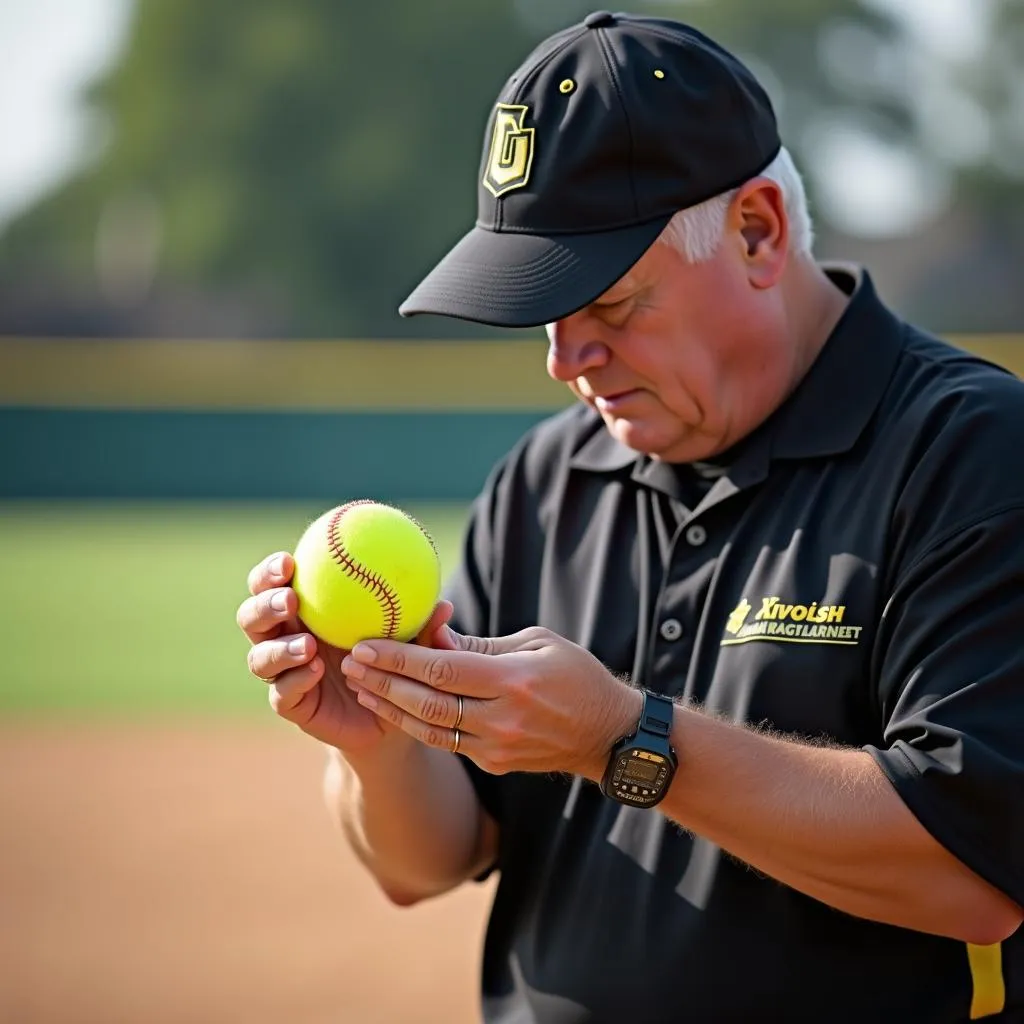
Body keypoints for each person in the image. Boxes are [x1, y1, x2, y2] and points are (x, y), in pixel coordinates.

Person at [236, 12, 1024, 1022]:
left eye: (608, 301)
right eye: (542, 312)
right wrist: (377, 738)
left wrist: (623, 738)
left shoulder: (970, 450)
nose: (564, 360)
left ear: (757, 231)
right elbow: (430, 860)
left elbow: (973, 871)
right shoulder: (547, 475)